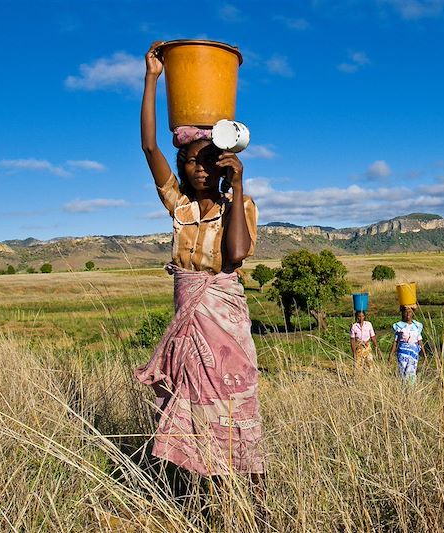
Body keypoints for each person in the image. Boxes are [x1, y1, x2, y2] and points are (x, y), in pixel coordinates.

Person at [134, 42, 264, 483]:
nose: (201, 169)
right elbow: (150, 146)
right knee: (187, 405)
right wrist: (153, 78)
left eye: (210, 161)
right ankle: (195, 490)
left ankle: (248, 493)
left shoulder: (240, 207)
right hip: (187, 320)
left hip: (223, 323)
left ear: (224, 164)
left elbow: (236, 255)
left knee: (229, 405)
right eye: (192, 161)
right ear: (183, 166)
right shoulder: (179, 207)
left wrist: (240, 183)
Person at [389, 305, 426, 383]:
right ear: (402, 313)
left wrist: (424, 355)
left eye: (410, 312)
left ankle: (411, 391)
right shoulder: (399, 326)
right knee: (402, 371)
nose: (408, 314)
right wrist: (391, 355)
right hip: (402, 353)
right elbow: (396, 341)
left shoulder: (417, 326)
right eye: (406, 312)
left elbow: (420, 340)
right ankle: (402, 390)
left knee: (411, 371)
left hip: (413, 353)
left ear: (413, 313)